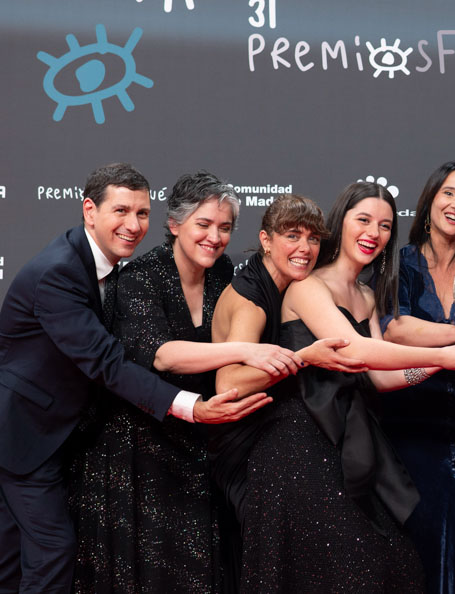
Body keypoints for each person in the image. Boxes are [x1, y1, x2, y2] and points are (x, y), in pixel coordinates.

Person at [0, 163, 271, 593]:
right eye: (121, 211)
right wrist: (193, 408)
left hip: (58, 434)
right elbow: (110, 365)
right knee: (51, 553)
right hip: (25, 435)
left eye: (141, 213)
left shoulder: (106, 266)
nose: (132, 224)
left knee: (13, 563)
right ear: (90, 211)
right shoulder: (62, 271)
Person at [237, 180, 455, 592]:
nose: (373, 233)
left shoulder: (366, 295)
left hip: (351, 444)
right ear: (340, 224)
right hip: (302, 443)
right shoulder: (308, 286)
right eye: (363, 220)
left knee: (392, 569)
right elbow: (357, 351)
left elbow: (381, 376)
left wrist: (450, 354)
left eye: (385, 226)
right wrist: (444, 355)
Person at [66, 171, 306, 593]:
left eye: (225, 227)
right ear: (175, 225)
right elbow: (162, 355)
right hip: (136, 451)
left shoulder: (224, 273)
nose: (215, 237)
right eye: (204, 224)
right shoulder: (140, 276)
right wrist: (243, 351)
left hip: (199, 447)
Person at [207, 193, 367, 589]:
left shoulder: (285, 287)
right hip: (240, 449)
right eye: (292, 236)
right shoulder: (252, 302)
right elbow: (229, 383)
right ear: (265, 239)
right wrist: (305, 358)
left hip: (270, 439)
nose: (304, 248)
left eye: (313, 239)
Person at [380, 162, 455, 594]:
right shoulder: (403, 260)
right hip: (411, 422)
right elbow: (395, 327)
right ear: (429, 202)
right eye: (449, 193)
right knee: (420, 545)